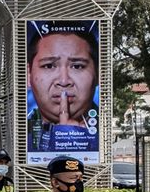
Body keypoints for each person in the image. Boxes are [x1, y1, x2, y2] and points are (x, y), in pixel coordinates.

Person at [25, 24, 99, 156]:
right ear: (28, 75)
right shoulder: (20, 133)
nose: (64, 82)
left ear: (98, 75)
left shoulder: (104, 133)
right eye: (48, 66)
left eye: (77, 66)